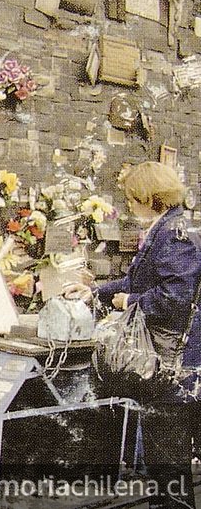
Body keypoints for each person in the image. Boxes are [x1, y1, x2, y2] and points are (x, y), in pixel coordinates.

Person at [65, 161, 201, 509]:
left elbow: (175, 297)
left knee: (168, 465)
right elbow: (138, 282)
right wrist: (96, 292)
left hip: (169, 364)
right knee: (163, 465)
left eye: (131, 197)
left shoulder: (174, 235)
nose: (128, 204)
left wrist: (132, 301)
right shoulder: (164, 229)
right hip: (159, 362)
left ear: (147, 197)